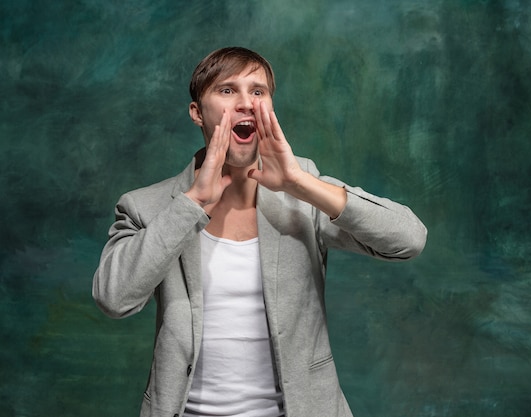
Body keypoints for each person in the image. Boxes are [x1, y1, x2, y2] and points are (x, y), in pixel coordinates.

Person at [92, 46, 427, 417]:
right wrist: (192, 203)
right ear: (197, 113)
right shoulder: (147, 207)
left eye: (258, 91)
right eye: (226, 90)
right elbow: (113, 298)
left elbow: (409, 239)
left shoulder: (304, 194)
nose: (245, 103)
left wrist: (300, 183)